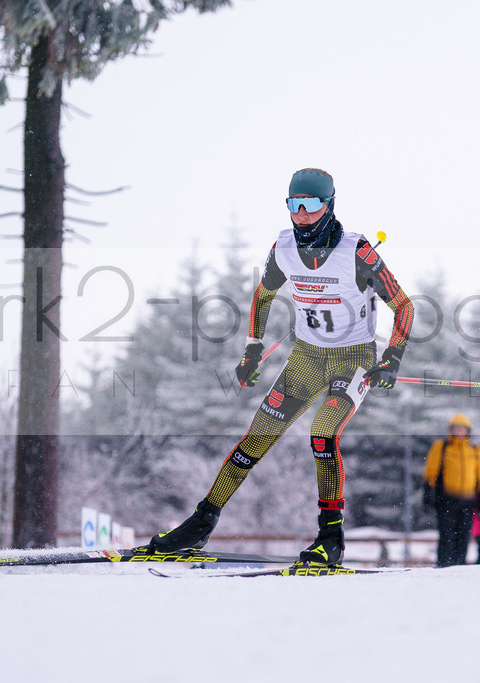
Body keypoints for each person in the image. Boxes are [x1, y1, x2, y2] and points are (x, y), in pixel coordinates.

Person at [147, 168, 415, 567]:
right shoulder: (284, 248)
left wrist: (391, 357)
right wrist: (251, 350)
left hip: (354, 359)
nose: (302, 214)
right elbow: (264, 293)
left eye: (310, 205)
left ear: (329, 205)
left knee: (322, 433)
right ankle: (200, 525)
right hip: (307, 358)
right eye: (294, 205)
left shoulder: (356, 251)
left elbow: (403, 306)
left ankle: (331, 538)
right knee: (256, 440)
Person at [422, 413, 480, 567]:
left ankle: (459, 565)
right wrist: (427, 493)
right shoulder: (442, 446)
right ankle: (444, 564)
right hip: (446, 498)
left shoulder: (475, 449)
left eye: (462, 428)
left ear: (468, 430)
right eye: (456, 428)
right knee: (447, 534)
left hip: (468, 499)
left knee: (464, 534)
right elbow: (431, 470)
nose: (459, 431)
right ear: (451, 430)